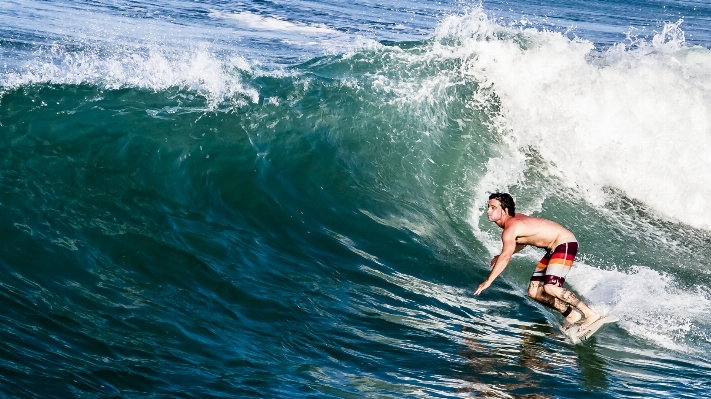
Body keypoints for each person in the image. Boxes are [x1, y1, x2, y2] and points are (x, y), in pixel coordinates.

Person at [473, 192, 601, 337]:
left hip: (564, 243)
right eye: (488, 207)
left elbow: (506, 256)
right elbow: (523, 240)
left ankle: (590, 314)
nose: (488, 211)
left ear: (505, 210)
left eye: (493, 208)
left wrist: (488, 281)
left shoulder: (510, 228)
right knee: (534, 292)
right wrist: (502, 255)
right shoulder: (514, 221)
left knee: (551, 287)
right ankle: (571, 315)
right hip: (553, 247)